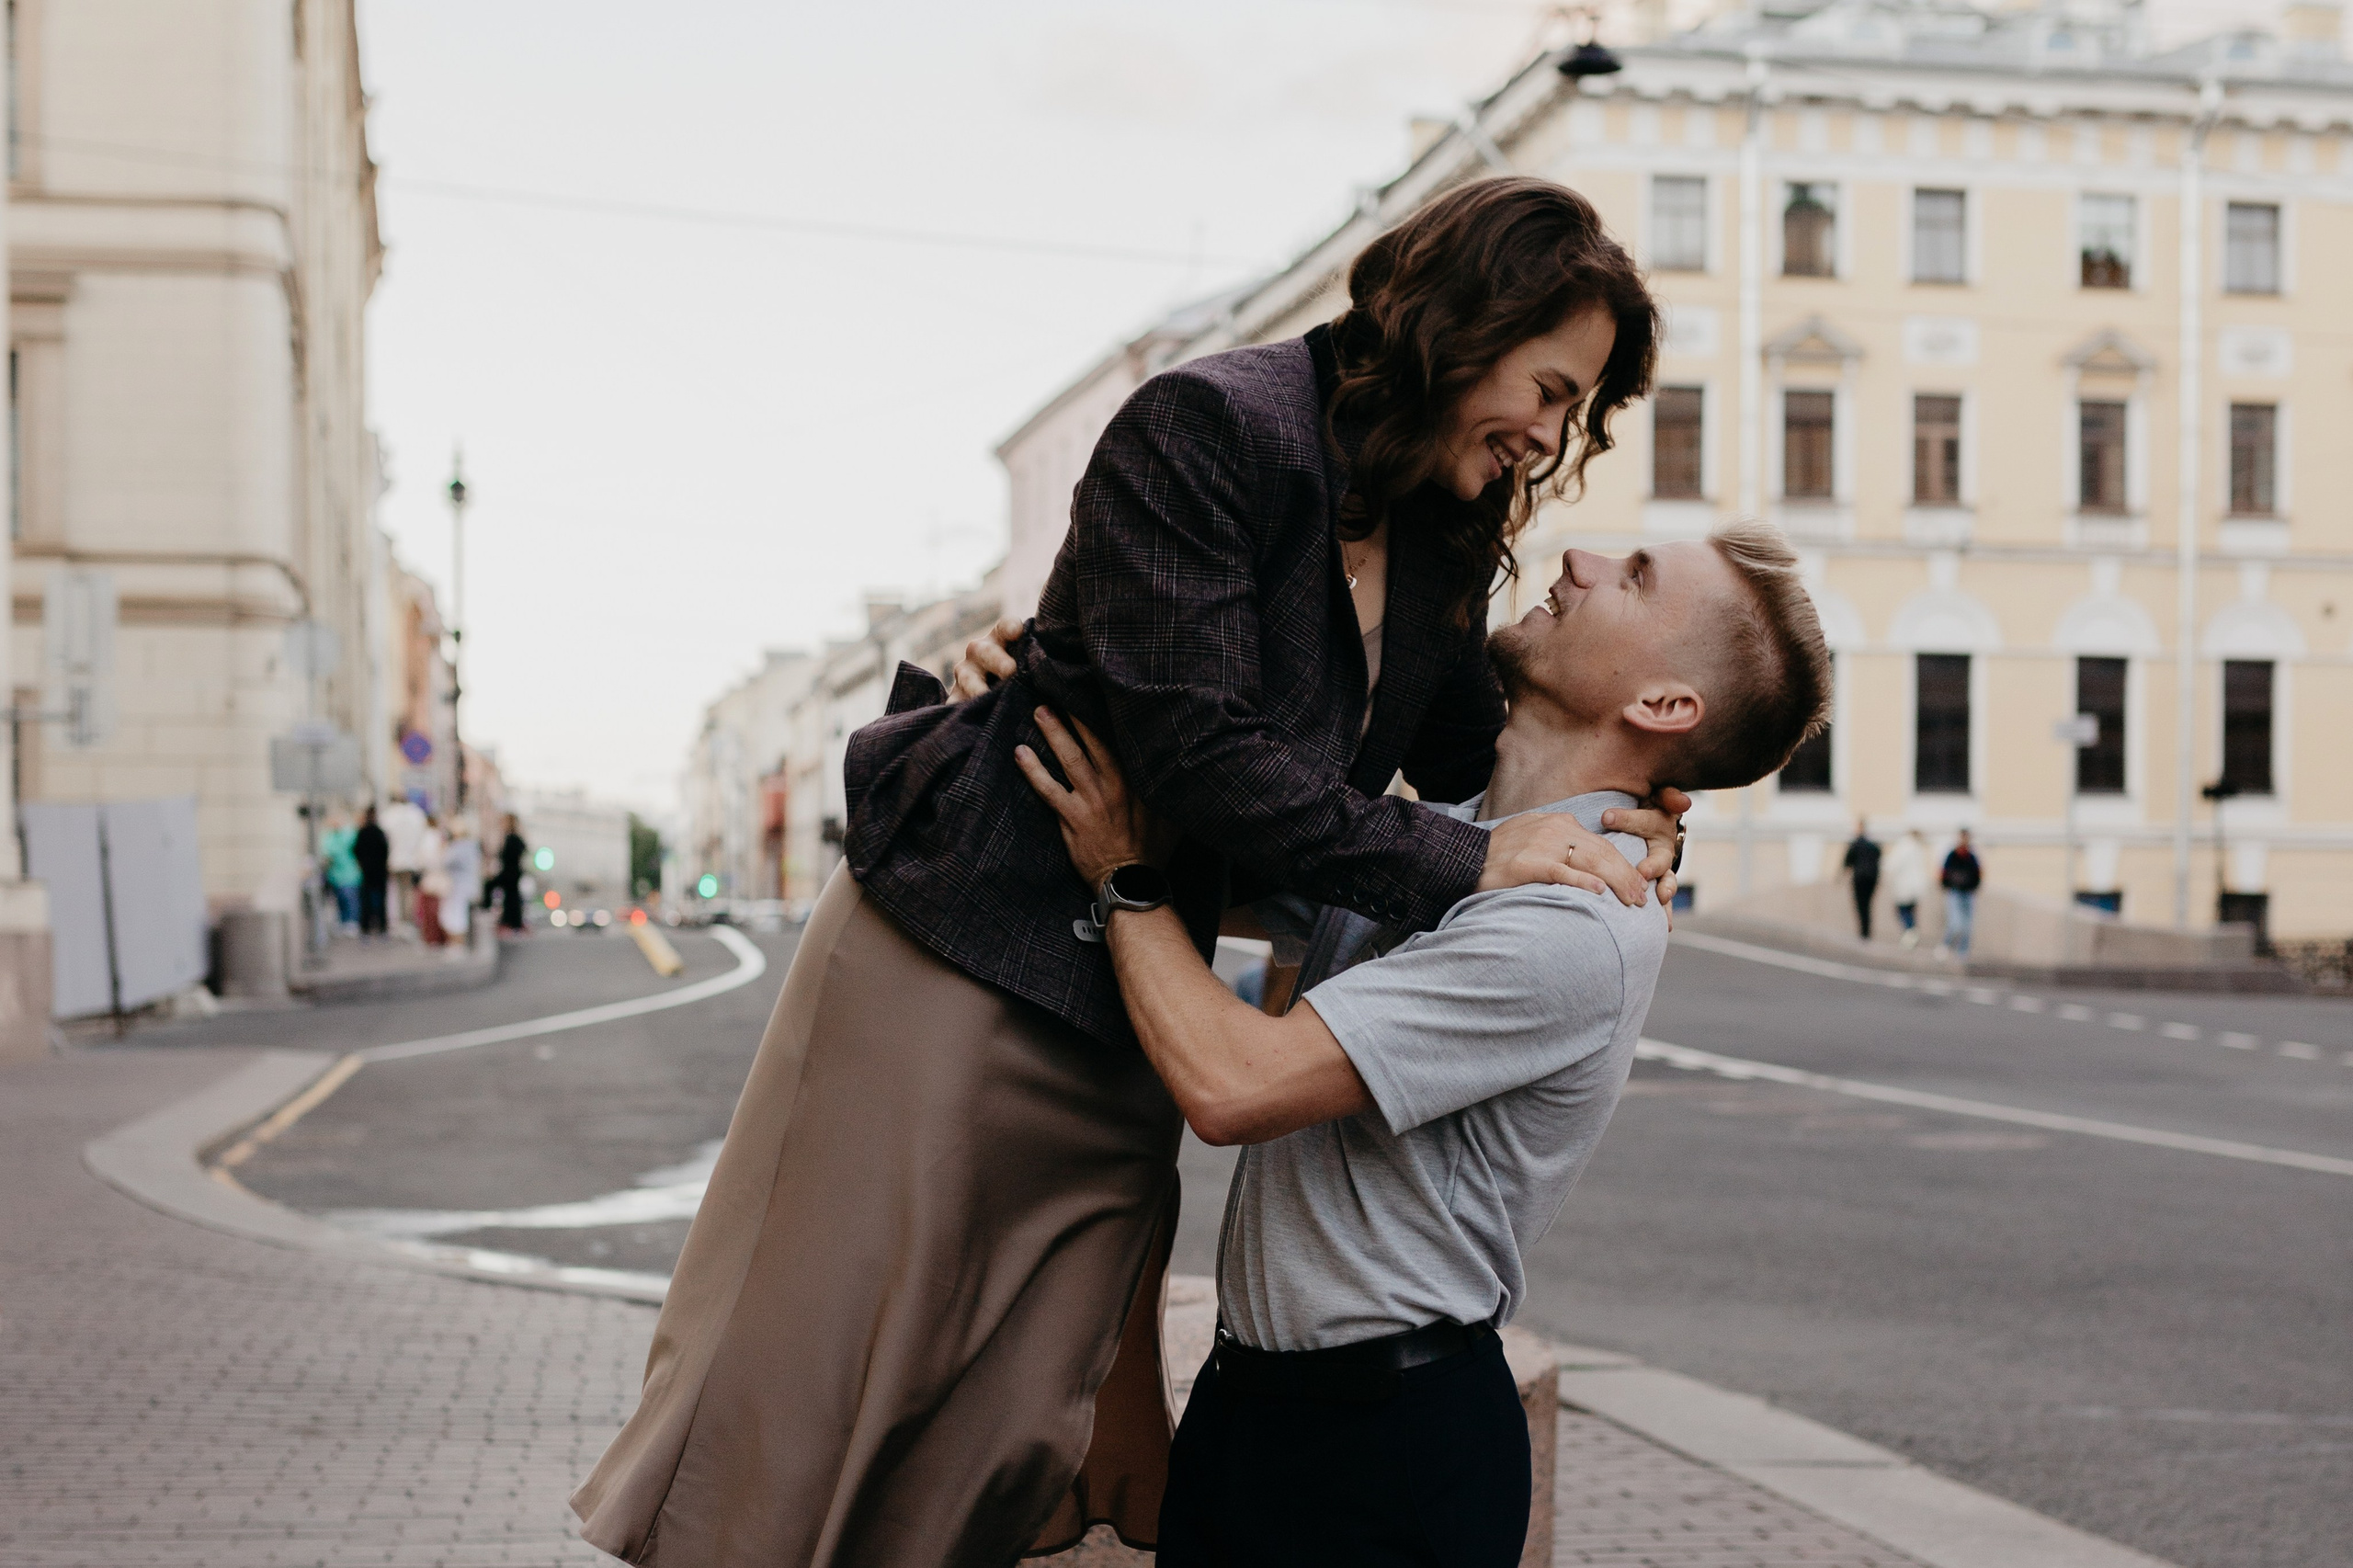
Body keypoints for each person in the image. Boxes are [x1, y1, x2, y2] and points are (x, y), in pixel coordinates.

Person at [573, 176, 1682, 1567]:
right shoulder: (1214, 423)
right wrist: (1477, 855)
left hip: (1125, 972)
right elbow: (1207, 752)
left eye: (1576, 411)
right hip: (957, 952)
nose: (1553, 432)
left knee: (1015, 1409)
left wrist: (1633, 796)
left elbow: (1470, 747)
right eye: (1552, 384)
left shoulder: (1446, 519)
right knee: (836, 1367)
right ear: (1465, 326)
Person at [1016, 523, 1831, 1567]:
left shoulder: (1574, 919)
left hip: (1381, 1449)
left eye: (1633, 576)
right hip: (1260, 1409)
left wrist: (1120, 875)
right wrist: (1039, 671)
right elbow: (1231, 832)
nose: (1578, 556)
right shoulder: (1450, 835)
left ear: (1665, 706)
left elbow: (1231, 1081)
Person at [1940, 827, 1983, 959]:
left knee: (1967, 925)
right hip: (1955, 892)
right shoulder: (1952, 855)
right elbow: (1944, 872)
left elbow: (1978, 873)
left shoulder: (1972, 856)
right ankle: (1946, 945)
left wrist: (1974, 887)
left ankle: (1963, 951)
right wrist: (1947, 885)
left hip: (1968, 893)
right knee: (1955, 923)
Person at [1885, 828, 1928, 948]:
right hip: (1915, 887)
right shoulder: (1917, 848)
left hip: (1904, 885)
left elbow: (1893, 864)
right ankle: (1911, 930)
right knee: (1910, 911)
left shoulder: (1904, 846)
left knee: (1903, 910)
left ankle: (1910, 931)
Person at [320, 812, 361, 933]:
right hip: (336, 874)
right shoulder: (329, 836)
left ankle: (352, 921)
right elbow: (326, 852)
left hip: (350, 873)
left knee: (350, 898)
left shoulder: (349, 834)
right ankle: (343, 921)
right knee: (340, 899)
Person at [353, 805, 390, 938]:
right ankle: (381, 929)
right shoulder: (378, 832)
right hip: (377, 872)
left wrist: (362, 863)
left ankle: (367, 929)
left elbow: (356, 850)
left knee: (367, 901)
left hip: (368, 871)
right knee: (379, 901)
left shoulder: (363, 832)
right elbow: (386, 851)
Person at [442, 824, 481, 952]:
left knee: (456, 914)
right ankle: (461, 943)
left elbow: (446, 862)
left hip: (458, 885)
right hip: (468, 884)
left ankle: (457, 943)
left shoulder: (458, 848)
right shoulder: (472, 847)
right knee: (462, 914)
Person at [1840, 818, 1880, 940]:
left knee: (1861, 904)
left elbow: (1847, 862)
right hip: (1871, 878)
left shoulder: (1856, 844)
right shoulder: (1872, 845)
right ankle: (1866, 930)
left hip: (1860, 878)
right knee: (1867, 904)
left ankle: (1864, 931)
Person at [415, 814, 448, 947]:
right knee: (436, 908)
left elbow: (422, 859)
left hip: (431, 875)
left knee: (430, 909)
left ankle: (432, 938)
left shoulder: (427, 837)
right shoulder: (439, 836)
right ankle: (438, 937)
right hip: (439, 875)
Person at [494, 814, 529, 934]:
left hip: (511, 873)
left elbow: (508, 856)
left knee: (510, 898)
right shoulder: (513, 838)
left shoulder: (512, 838)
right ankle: (512, 922)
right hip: (513, 873)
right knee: (511, 897)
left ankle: (511, 922)